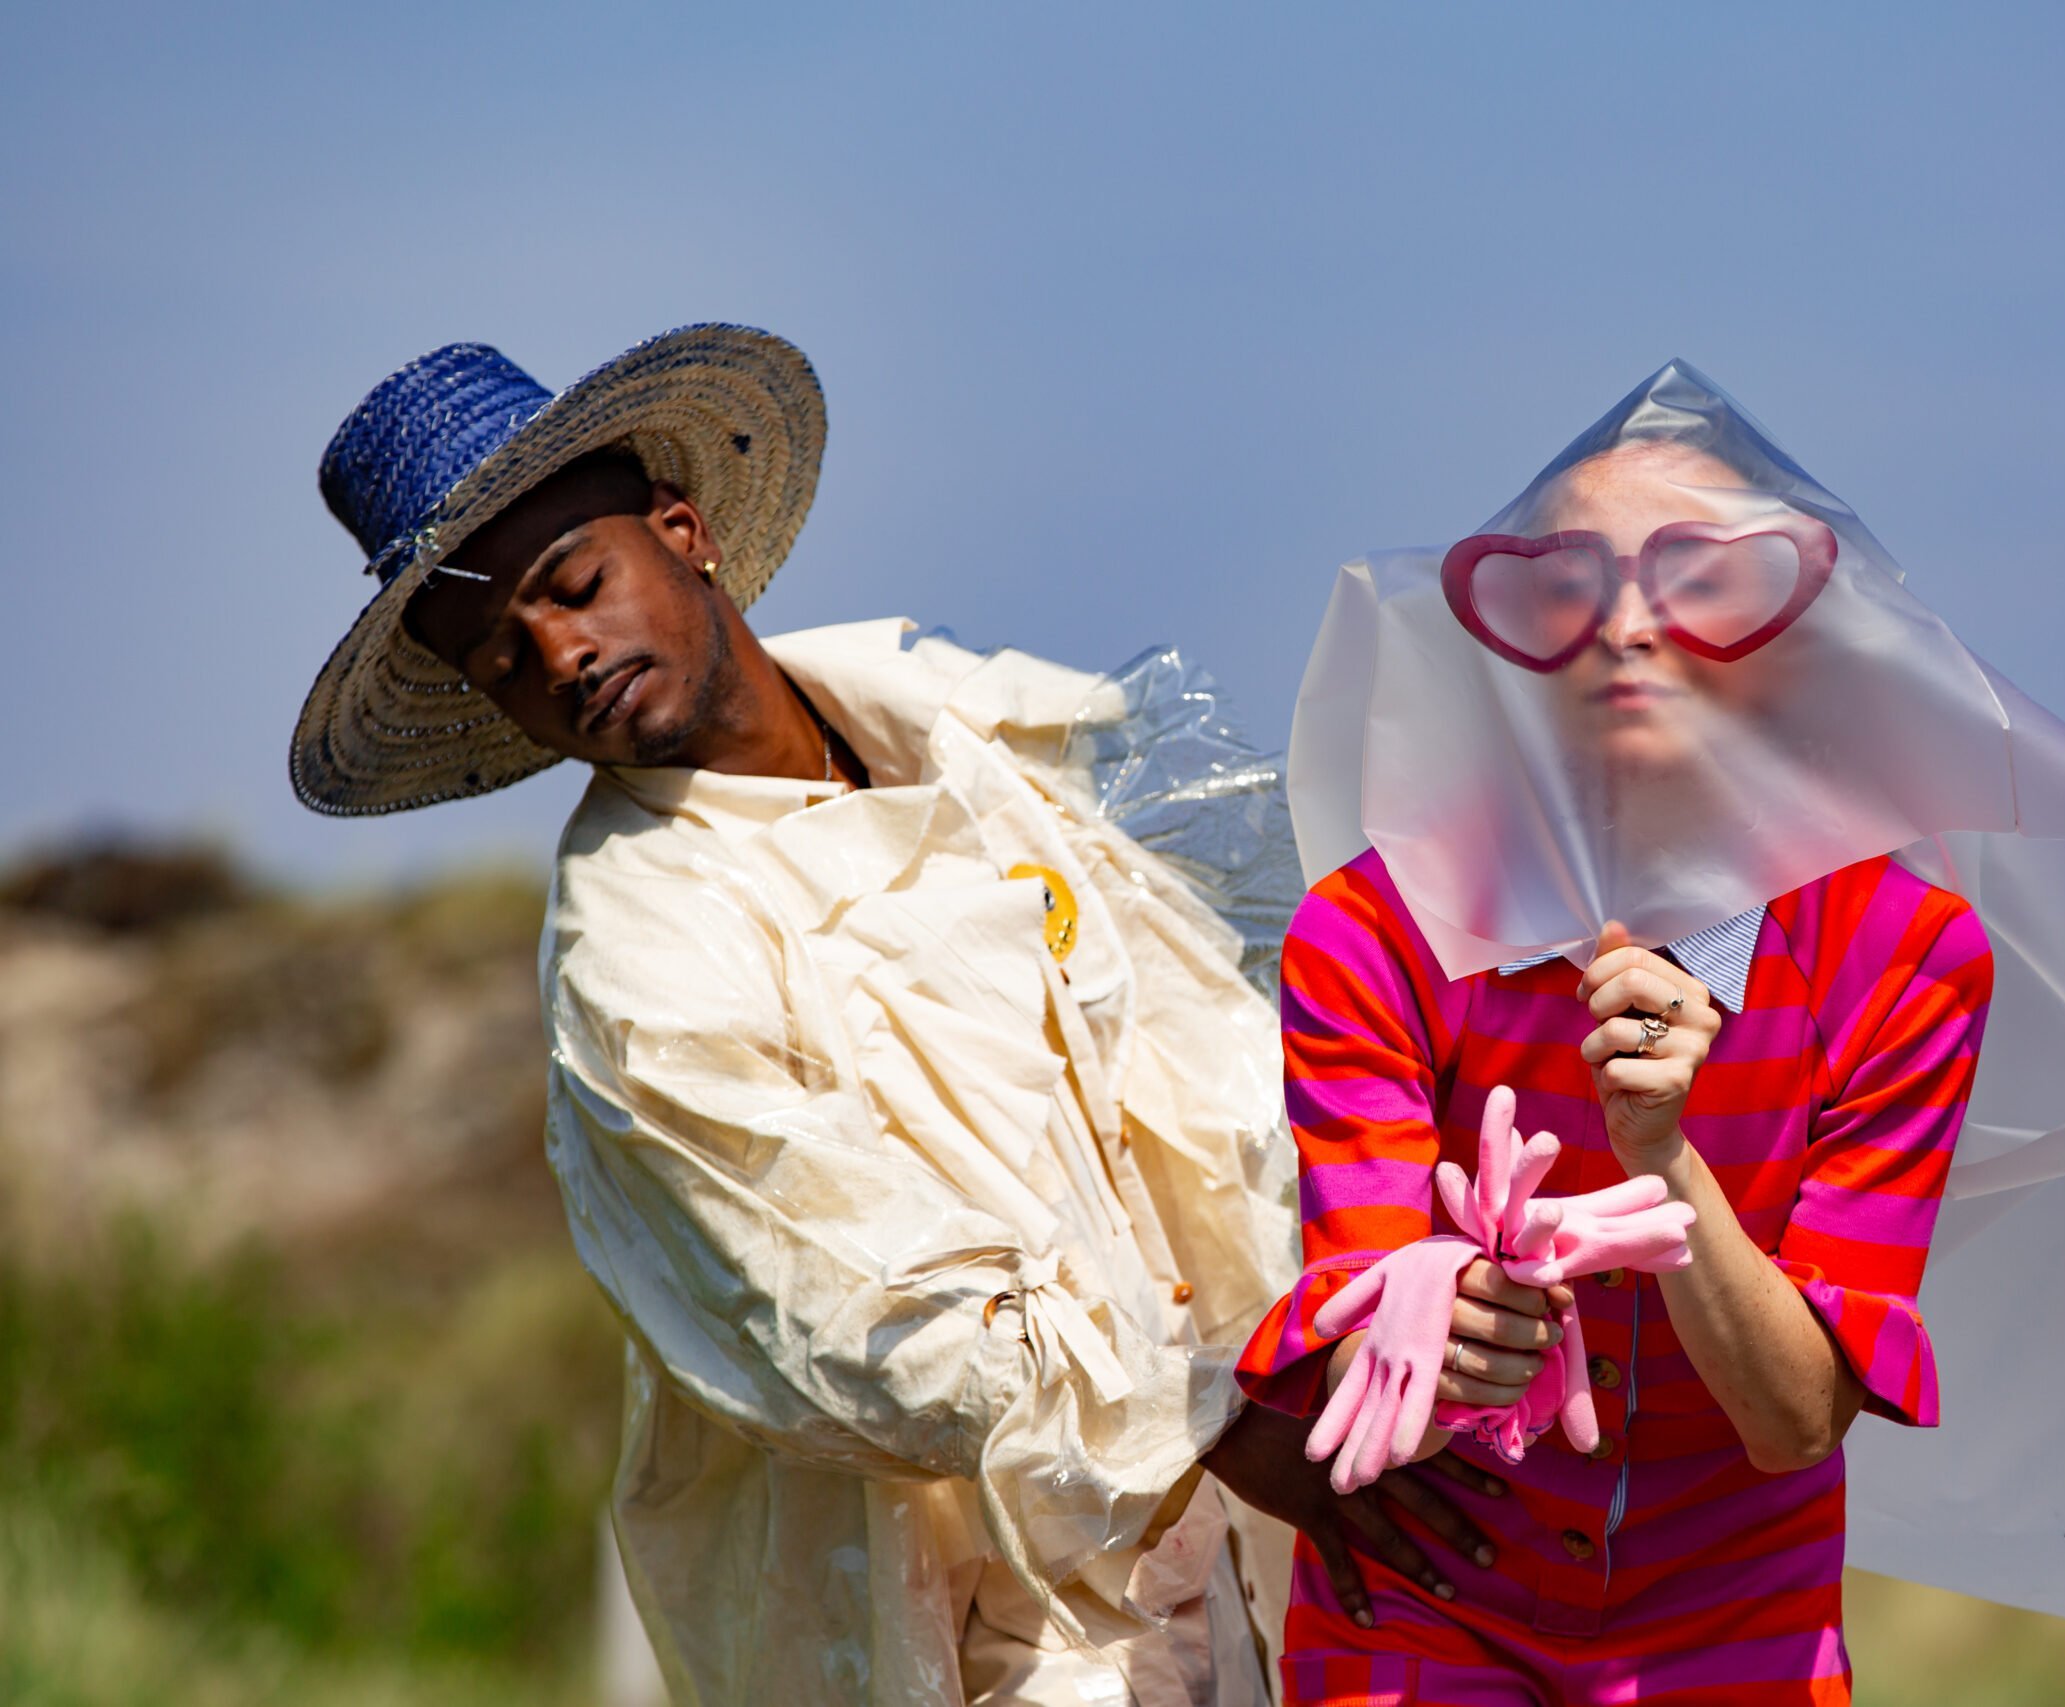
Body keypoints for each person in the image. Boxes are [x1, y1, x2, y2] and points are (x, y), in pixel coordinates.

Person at [288, 325, 1516, 1706]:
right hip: (984, 1623)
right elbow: (856, 1319)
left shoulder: (985, 732)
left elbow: (1244, 1037)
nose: (563, 654)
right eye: (505, 660)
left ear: (682, 532)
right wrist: (1216, 1420)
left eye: (576, 585)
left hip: (1264, 1524)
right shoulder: (636, 953)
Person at [1239, 437, 1994, 1705]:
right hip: (1425, 1617)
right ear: (1512, 641)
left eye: (1698, 583)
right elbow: (1359, 1330)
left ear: (1785, 637)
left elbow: (1792, 1423)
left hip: (1740, 1627)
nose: (1628, 626)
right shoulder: (1368, 933)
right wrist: (1424, 1330)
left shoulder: (1904, 960)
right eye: (1570, 584)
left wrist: (1663, 1161)